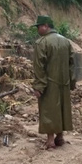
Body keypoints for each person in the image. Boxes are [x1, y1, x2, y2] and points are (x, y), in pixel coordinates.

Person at [32, 15, 76, 150]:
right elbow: (72, 64)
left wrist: (39, 86)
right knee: (62, 109)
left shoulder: (42, 42)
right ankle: (60, 137)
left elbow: (39, 66)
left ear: (45, 26)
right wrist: (71, 82)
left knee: (48, 110)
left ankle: (50, 140)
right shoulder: (66, 42)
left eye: (39, 27)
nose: (38, 30)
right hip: (64, 82)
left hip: (49, 83)